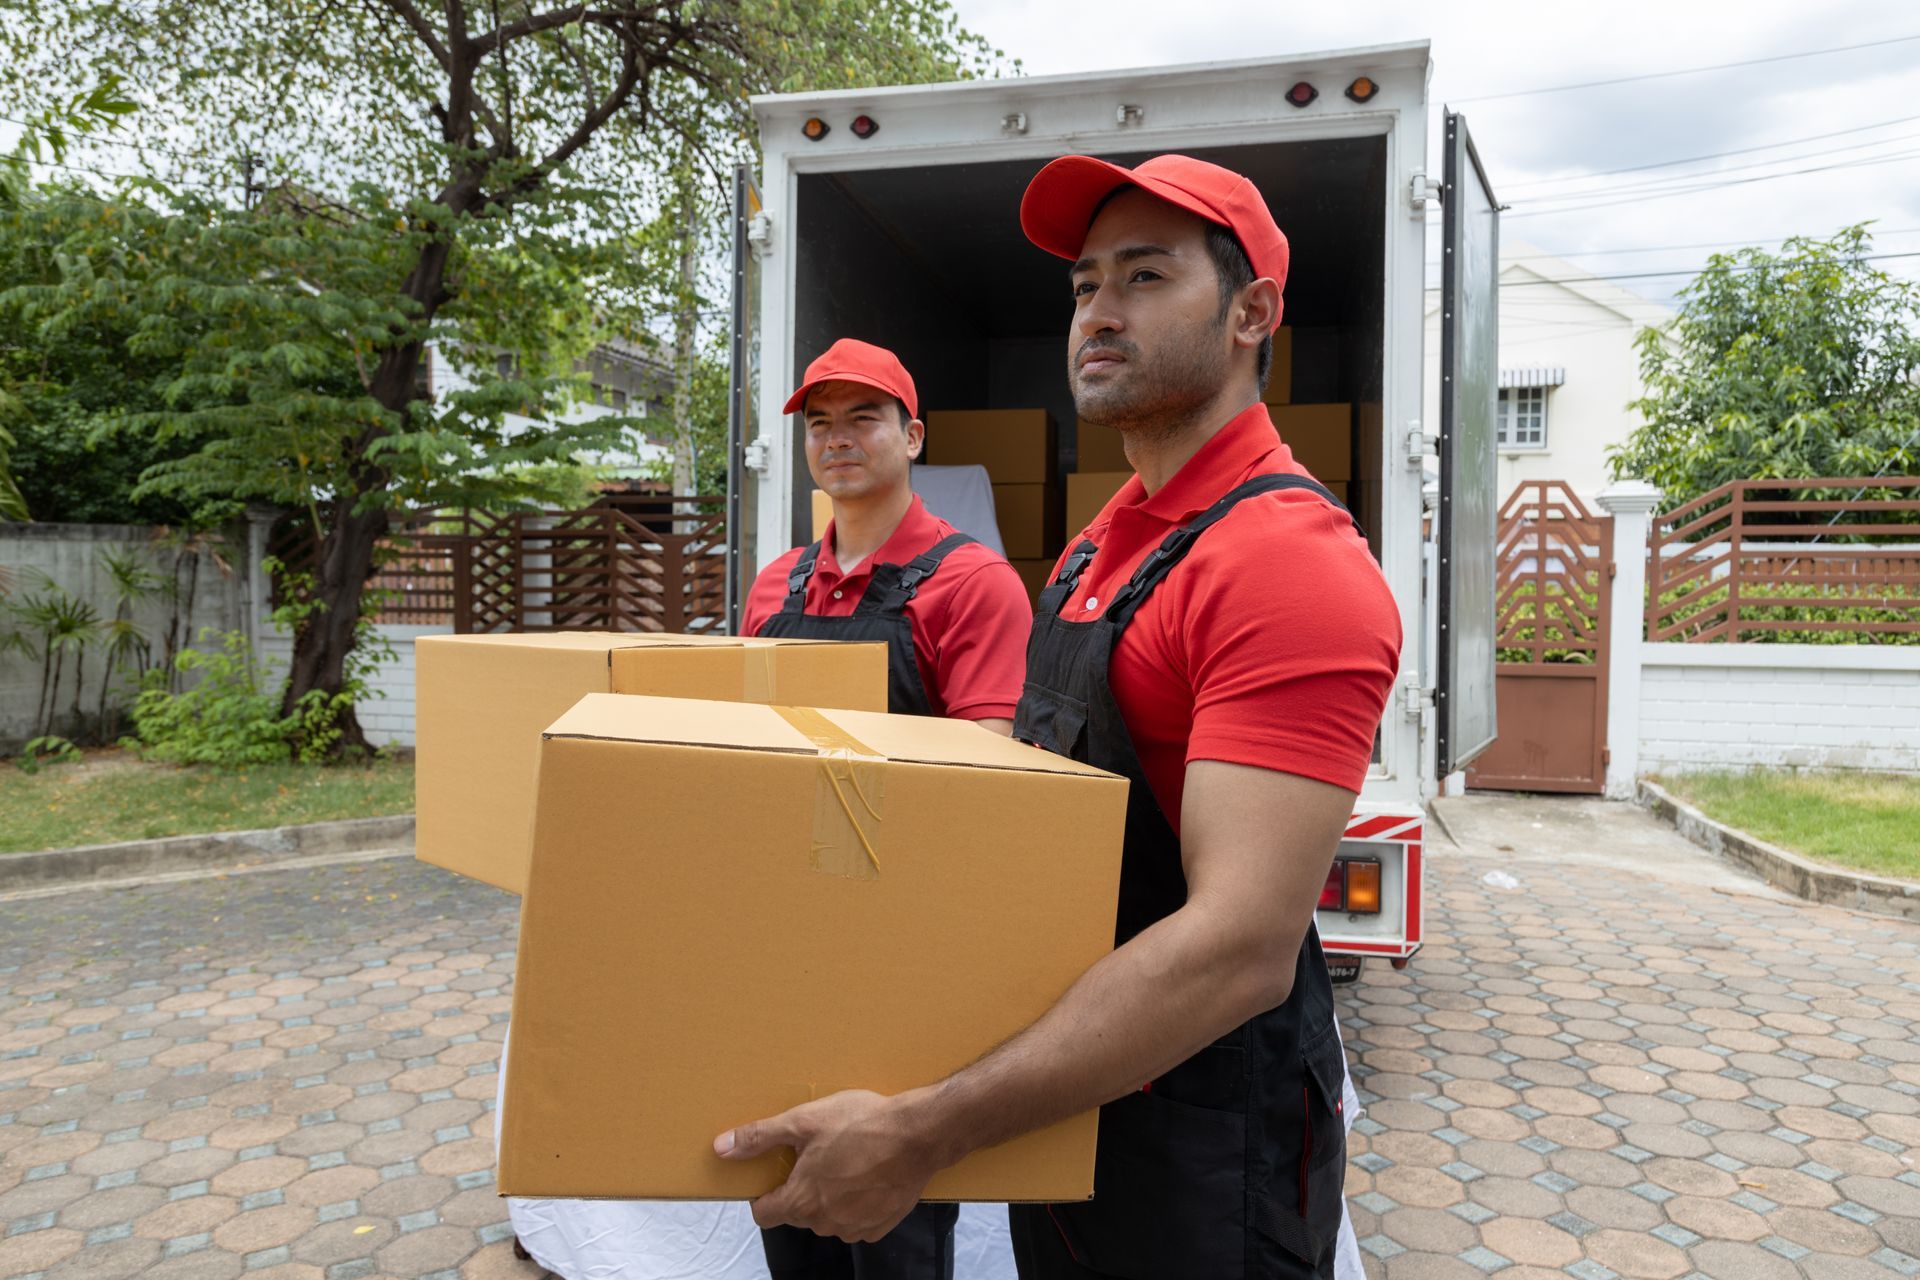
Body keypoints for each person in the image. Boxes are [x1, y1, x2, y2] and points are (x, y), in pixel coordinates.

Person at [715, 154, 1402, 1280]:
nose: (1099, 312)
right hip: (1077, 1097)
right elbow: (1028, 792)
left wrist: (930, 1125)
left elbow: (1239, 947)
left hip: (1205, 1135)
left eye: (1144, 276)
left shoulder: (1286, 562)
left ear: (1251, 312)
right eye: (1085, 285)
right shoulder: (1101, 543)